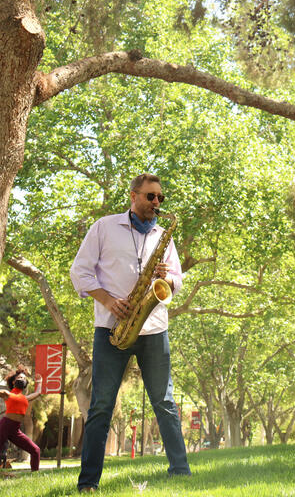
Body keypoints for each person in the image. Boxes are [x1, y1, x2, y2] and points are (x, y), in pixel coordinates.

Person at [70, 173, 190, 492]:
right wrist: (109, 301)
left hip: (153, 328)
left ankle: (181, 472)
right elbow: (79, 271)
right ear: (133, 196)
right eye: (151, 197)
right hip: (113, 328)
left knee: (164, 401)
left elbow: (177, 280)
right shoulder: (104, 227)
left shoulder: (163, 234)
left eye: (160, 198)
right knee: (101, 406)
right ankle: (88, 482)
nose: (156, 203)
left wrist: (167, 277)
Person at [0, 367, 43, 471]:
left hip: (15, 430)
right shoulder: (8, 394)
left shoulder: (25, 398)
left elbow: (38, 393)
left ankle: (35, 474)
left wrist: (40, 381)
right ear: (14, 381)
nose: (22, 379)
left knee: (35, 450)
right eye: (19, 378)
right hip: (4, 426)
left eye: (24, 378)